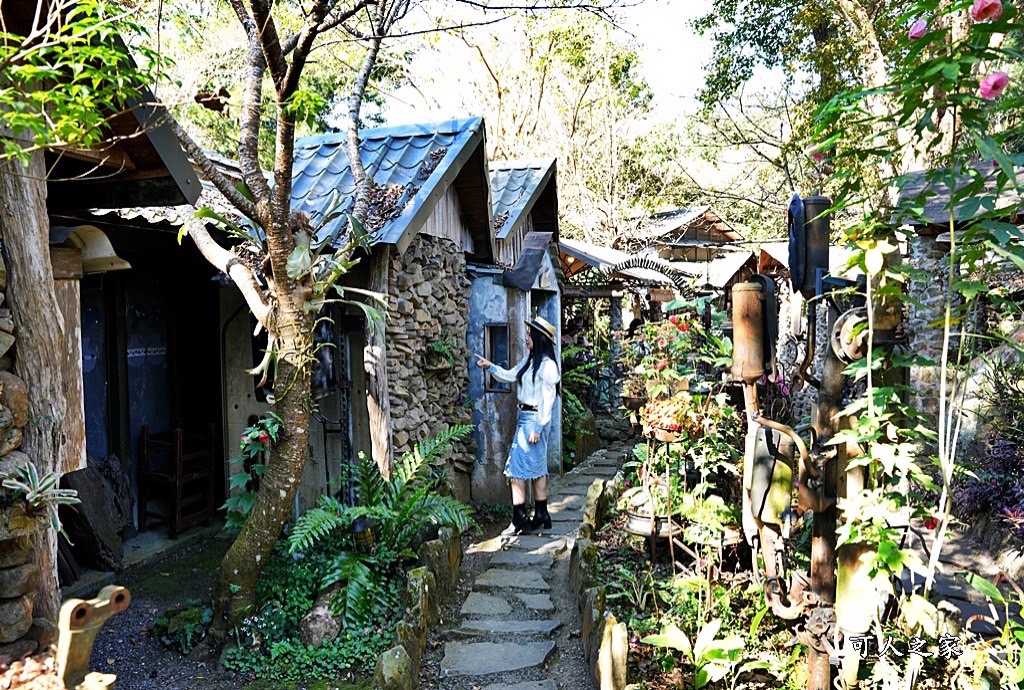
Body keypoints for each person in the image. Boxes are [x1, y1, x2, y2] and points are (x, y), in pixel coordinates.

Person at [474, 316, 561, 535]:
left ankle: (519, 518)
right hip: (526, 418)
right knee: (536, 470)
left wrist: (538, 429)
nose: (527, 338)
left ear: (541, 338)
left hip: (534, 420)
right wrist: (490, 367)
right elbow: (511, 375)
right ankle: (541, 514)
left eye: (531, 335)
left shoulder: (548, 366)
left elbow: (548, 400)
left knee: (515, 471)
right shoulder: (530, 361)